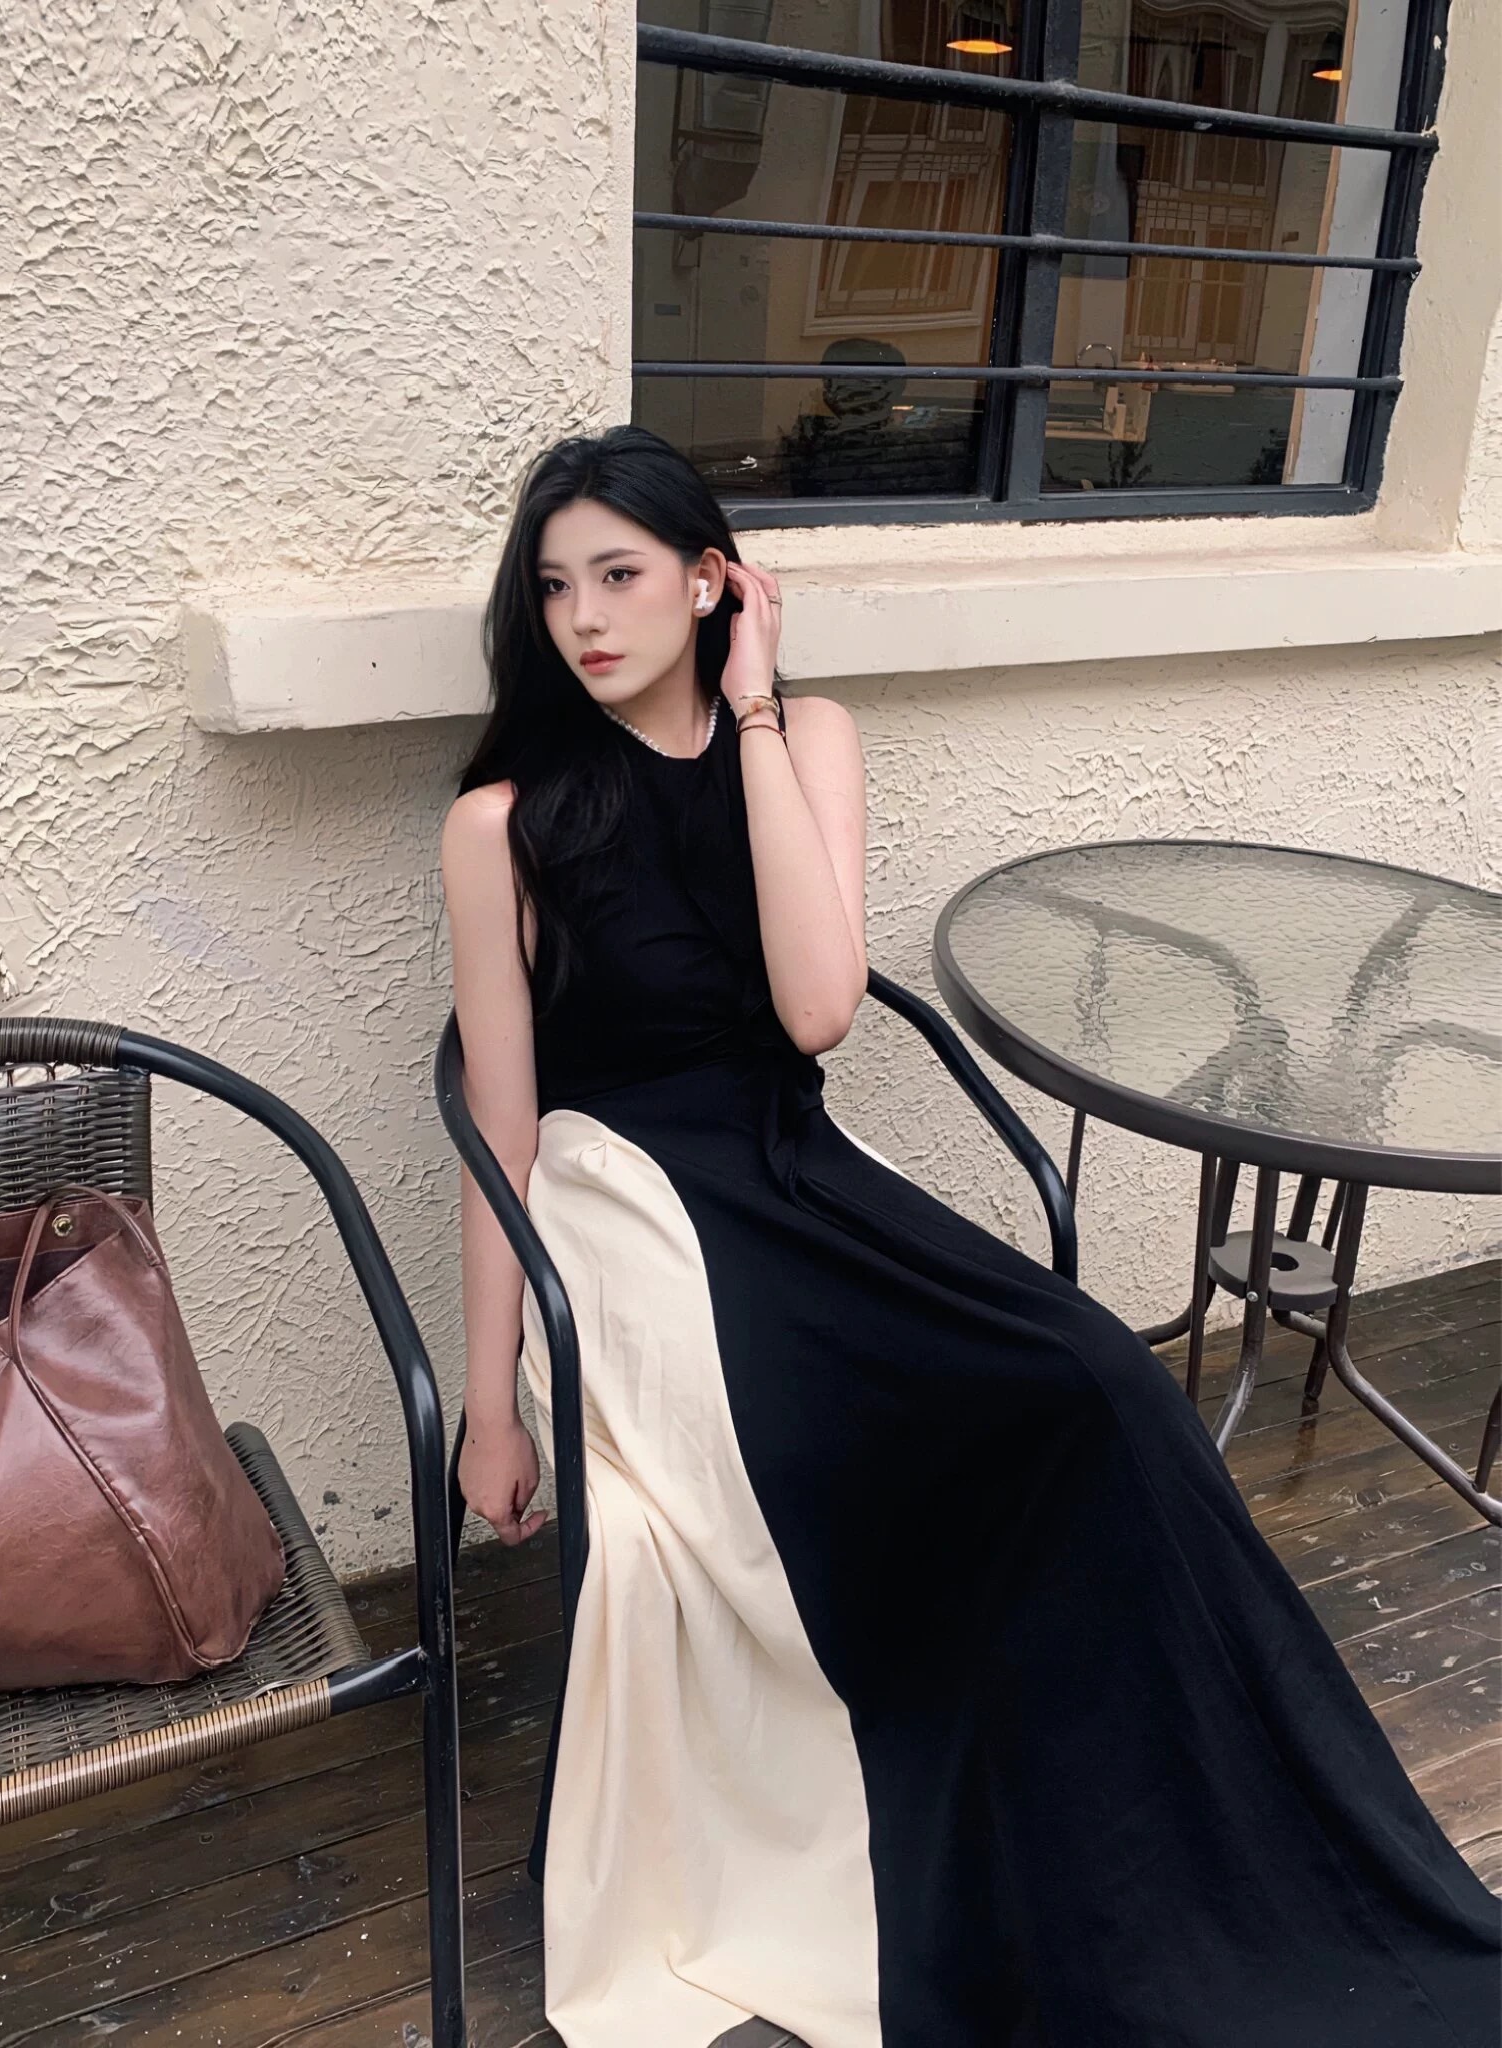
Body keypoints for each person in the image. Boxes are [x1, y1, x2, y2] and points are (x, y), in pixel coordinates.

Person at [439, 423, 1500, 2048]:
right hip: (638, 1213)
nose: (584, 617)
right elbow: (502, 1129)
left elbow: (814, 1009)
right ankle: (961, 1809)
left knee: (1100, 1385)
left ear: (712, 582)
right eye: (555, 586)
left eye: (622, 575)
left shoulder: (807, 739)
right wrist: (492, 1401)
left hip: (800, 1172)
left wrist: (752, 715)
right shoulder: (504, 824)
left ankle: (1194, 1833)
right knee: (852, 1452)